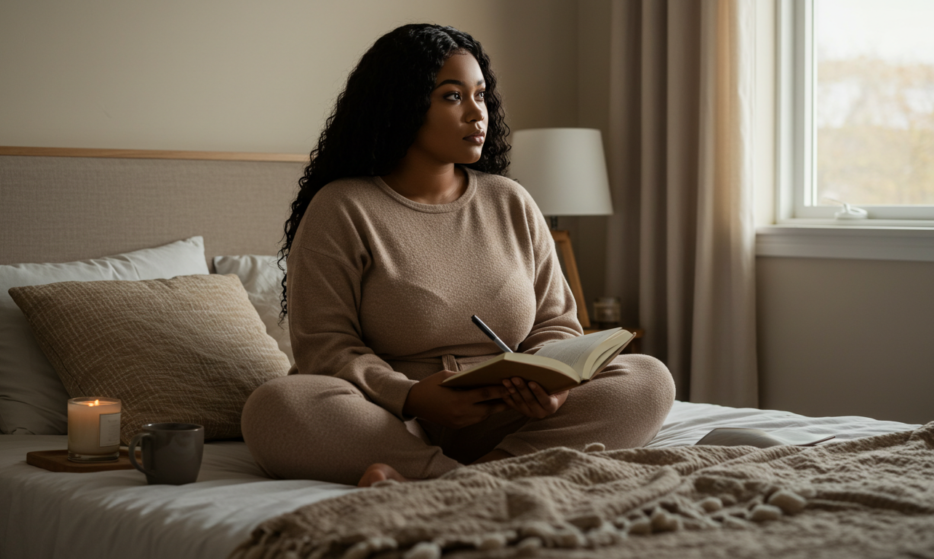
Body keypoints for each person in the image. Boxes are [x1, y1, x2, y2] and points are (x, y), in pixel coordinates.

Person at [241, 23, 675, 488]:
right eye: (452, 96)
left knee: (648, 377)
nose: (476, 113)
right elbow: (326, 347)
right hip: (391, 418)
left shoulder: (510, 200)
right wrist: (411, 396)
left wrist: (553, 388)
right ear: (402, 104)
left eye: (480, 95)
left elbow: (556, 323)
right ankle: (472, 476)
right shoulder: (342, 208)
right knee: (275, 405)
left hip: (506, 417)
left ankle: (462, 479)